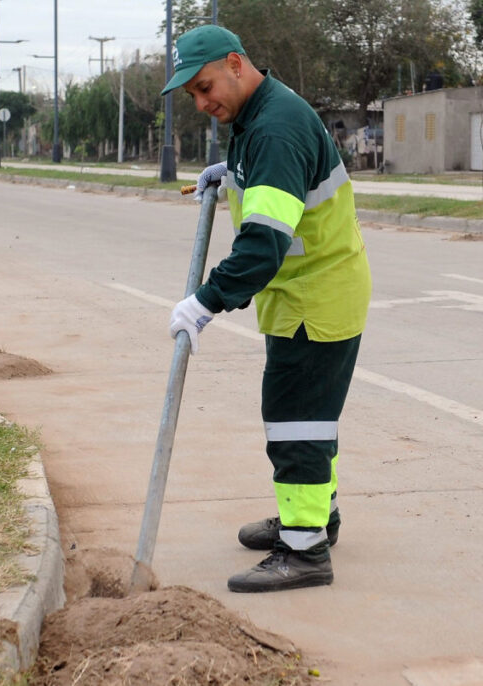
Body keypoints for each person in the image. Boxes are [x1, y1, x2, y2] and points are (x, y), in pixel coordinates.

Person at [162, 25, 372, 593]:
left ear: (236, 63)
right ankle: (315, 519)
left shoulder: (275, 127)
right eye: (194, 97)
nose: (204, 104)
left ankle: (303, 553)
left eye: (206, 88)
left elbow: (261, 245)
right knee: (311, 416)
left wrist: (204, 301)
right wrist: (231, 176)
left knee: (296, 421)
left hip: (314, 297)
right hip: (304, 294)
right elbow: (273, 187)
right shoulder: (258, 117)